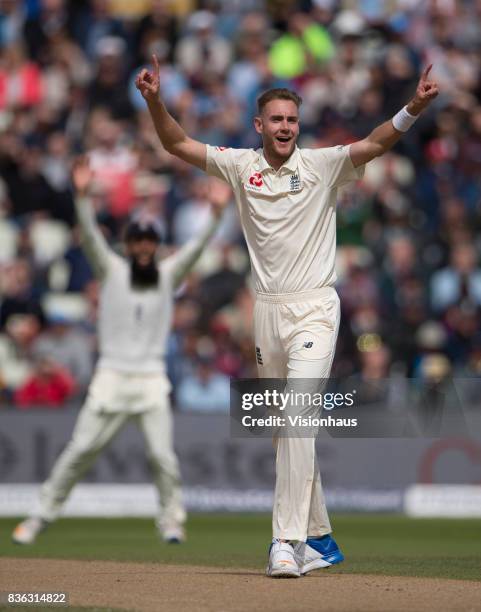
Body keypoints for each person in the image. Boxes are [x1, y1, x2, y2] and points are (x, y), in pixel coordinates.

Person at [135, 56, 439, 577]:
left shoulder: (322, 166)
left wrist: (412, 107)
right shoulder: (239, 166)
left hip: (316, 306)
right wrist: (155, 101)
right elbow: (176, 145)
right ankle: (321, 539)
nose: (285, 128)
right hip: (267, 312)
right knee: (285, 429)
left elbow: (374, 143)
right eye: (276, 120)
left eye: (292, 120)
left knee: (297, 417)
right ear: (260, 125)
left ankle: (286, 541)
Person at [12, 156, 227, 546]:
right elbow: (91, 237)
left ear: (156, 248)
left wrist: (214, 217)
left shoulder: (166, 275)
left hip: (150, 380)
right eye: (138, 243)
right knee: (78, 452)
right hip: (111, 376)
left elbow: (195, 250)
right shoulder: (111, 271)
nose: (144, 250)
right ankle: (40, 516)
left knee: (163, 458)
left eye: (150, 244)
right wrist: (80, 196)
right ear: (129, 247)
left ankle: (171, 521)